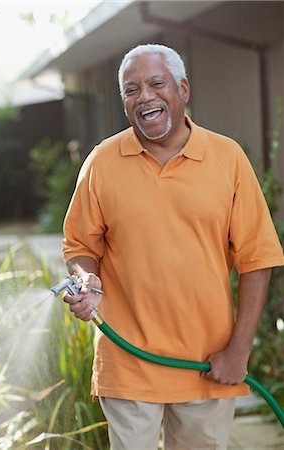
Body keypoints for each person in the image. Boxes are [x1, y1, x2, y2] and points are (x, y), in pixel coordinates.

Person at [62, 44, 284, 450]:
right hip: (127, 362)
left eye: (155, 83)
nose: (144, 96)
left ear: (183, 88)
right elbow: (79, 244)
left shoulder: (227, 158)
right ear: (125, 103)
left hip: (206, 363)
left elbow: (259, 258)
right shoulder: (101, 162)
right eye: (131, 90)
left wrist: (238, 352)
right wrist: (86, 280)